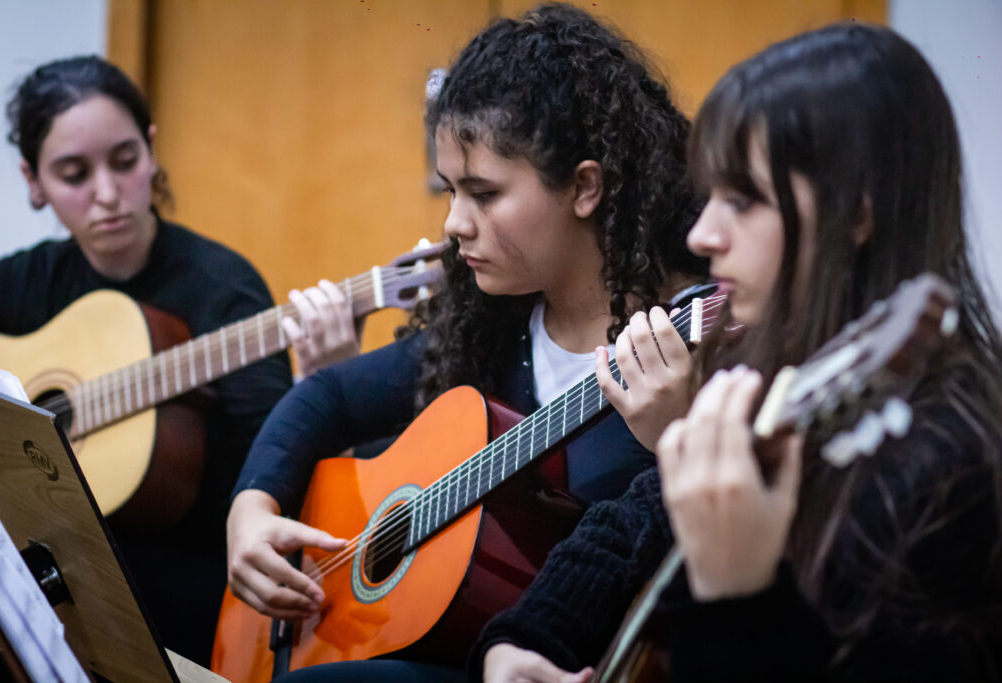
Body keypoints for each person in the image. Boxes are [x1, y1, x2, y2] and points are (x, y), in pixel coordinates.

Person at [475, 22, 1002, 683]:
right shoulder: (774, 377)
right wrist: (518, 643)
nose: (703, 232)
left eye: (743, 200)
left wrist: (733, 593)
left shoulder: (951, 471)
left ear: (856, 216)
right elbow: (625, 527)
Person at [225, 3, 707, 680]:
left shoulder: (686, 351)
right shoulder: (497, 322)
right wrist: (251, 511)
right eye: (452, 190)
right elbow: (328, 395)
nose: (455, 222)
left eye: (483, 192)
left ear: (585, 186)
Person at [0, 55, 355, 666]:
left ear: (151, 151)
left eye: (124, 161)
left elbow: (276, 466)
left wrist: (323, 378)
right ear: (33, 180)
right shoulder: (27, 283)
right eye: (74, 173)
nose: (108, 195)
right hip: (58, 557)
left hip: (191, 576)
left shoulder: (224, 290)